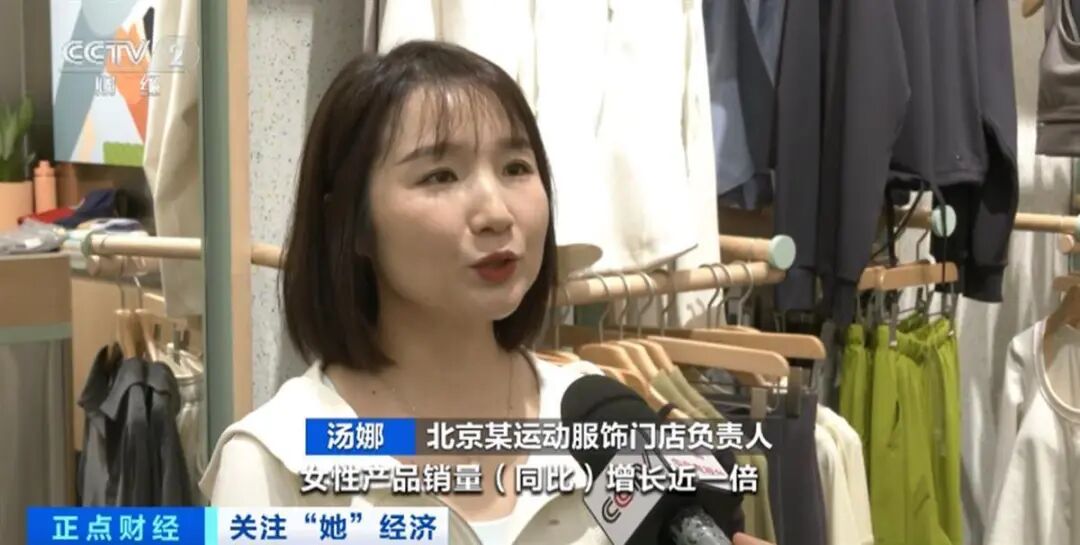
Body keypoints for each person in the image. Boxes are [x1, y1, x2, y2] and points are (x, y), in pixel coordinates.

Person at [199, 40, 608, 544]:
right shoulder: (274, 462)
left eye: (516, 168)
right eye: (440, 175)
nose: (497, 213)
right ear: (352, 222)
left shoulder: (600, 418)